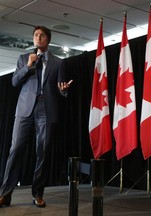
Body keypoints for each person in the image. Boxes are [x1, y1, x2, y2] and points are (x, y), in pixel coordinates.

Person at [0, 26, 72, 208]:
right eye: (35, 35)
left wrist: (63, 91)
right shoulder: (23, 59)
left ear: (48, 40)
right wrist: (28, 67)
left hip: (46, 110)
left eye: (42, 36)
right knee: (15, 150)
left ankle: (37, 193)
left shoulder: (58, 62)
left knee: (43, 152)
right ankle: (5, 194)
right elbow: (15, 82)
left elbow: (60, 88)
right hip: (24, 110)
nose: (38, 38)